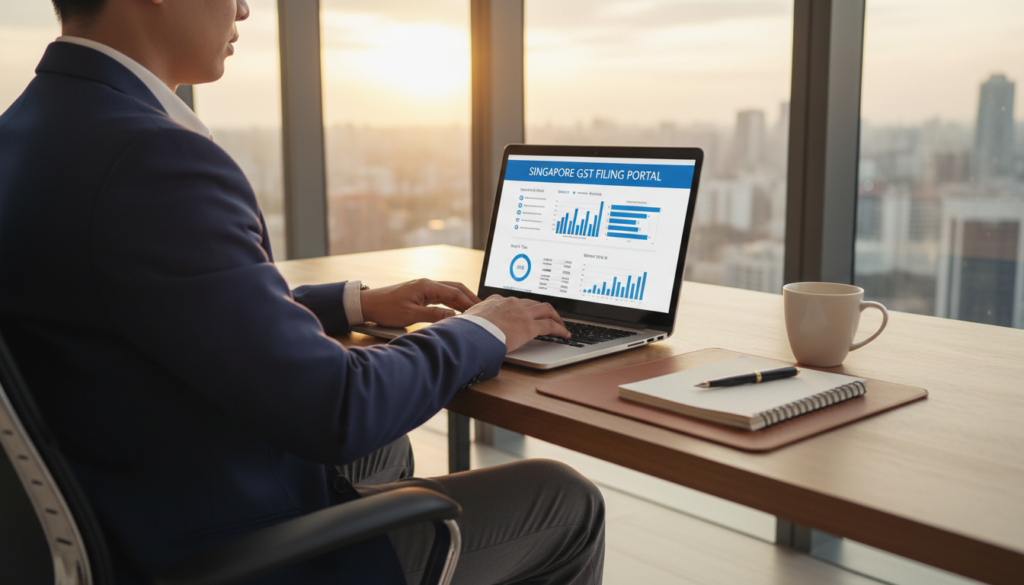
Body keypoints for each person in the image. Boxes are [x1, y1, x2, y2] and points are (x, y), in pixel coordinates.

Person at [0, 0, 605, 583]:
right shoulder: (151, 155)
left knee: (387, 439)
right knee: (565, 502)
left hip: (120, 488)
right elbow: (338, 410)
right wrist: (484, 329)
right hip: (202, 541)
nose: (241, 11)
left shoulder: (29, 129)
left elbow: (162, 301)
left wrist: (355, 304)